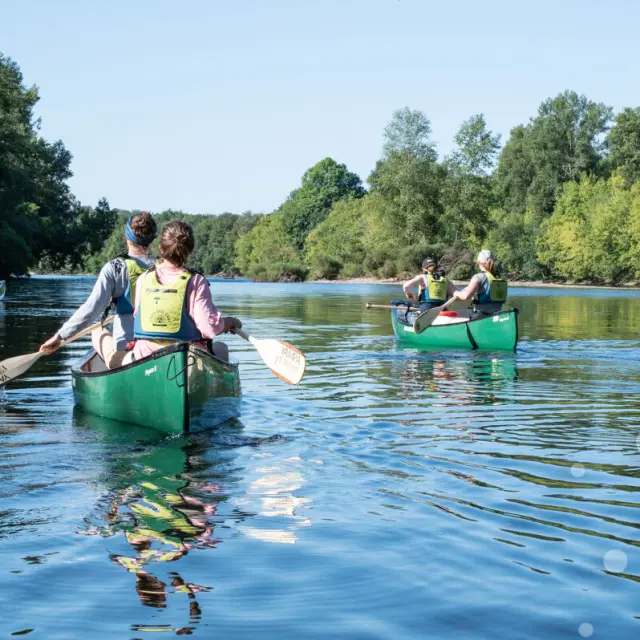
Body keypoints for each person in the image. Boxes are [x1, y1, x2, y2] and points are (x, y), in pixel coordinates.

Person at [115, 219, 241, 365]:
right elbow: (209, 327)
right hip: (187, 359)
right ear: (190, 249)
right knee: (222, 349)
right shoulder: (196, 281)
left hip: (146, 357)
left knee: (125, 359)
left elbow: (137, 314)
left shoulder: (144, 278)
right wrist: (229, 322)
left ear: (161, 248)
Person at [39, 212, 158, 367]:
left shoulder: (115, 268)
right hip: (161, 346)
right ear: (152, 239)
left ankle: (115, 362)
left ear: (126, 237)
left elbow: (91, 309)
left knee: (96, 330)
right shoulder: (167, 267)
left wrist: (60, 336)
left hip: (128, 348)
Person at [453, 249, 508, 316]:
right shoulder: (500, 278)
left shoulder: (478, 277)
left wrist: (455, 293)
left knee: (458, 313)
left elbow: (465, 296)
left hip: (481, 315)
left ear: (478, 262)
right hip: (496, 314)